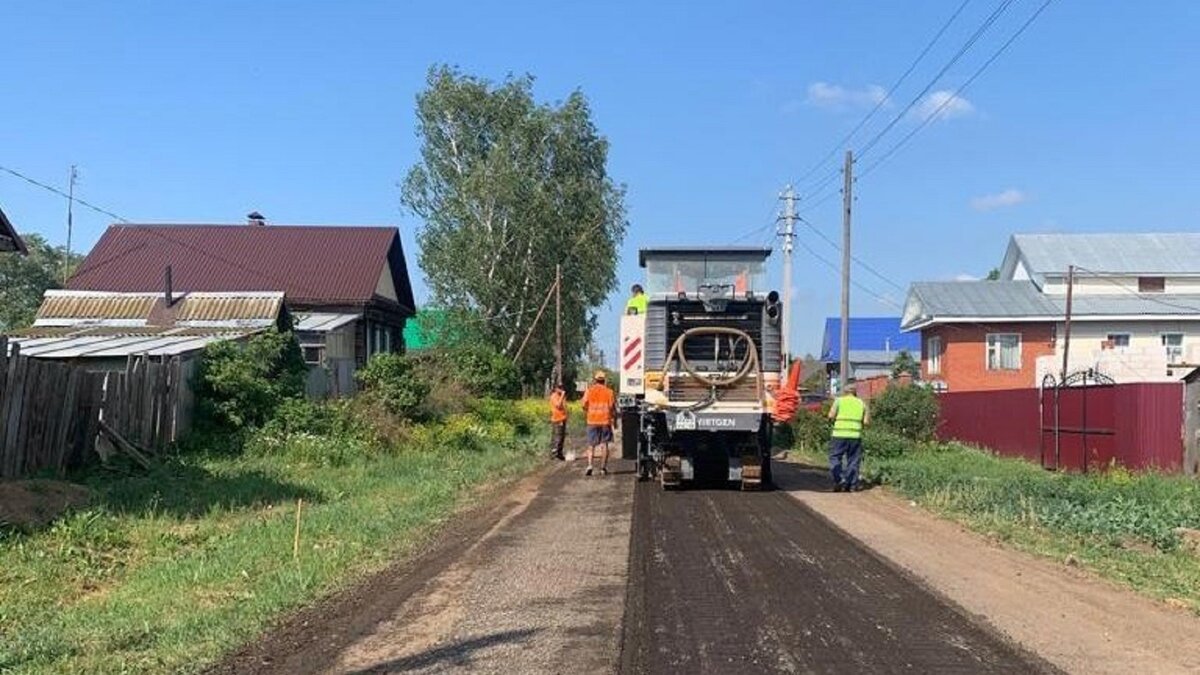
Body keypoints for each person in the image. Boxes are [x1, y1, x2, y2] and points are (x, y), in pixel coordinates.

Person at [827, 381, 868, 492]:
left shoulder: (839, 401)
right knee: (853, 460)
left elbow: (830, 415)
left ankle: (839, 480)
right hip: (855, 436)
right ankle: (851, 485)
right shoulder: (861, 403)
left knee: (835, 458)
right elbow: (866, 421)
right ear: (855, 392)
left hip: (839, 435)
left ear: (844, 392)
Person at [580, 370, 617, 476]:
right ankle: (603, 468)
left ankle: (590, 465)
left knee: (591, 445)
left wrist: (589, 410)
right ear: (604, 380)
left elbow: (583, 405)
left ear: (595, 380)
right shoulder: (609, 392)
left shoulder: (589, 391)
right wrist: (614, 420)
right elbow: (611, 407)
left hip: (592, 421)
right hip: (605, 421)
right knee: (604, 444)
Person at [548, 384, 568, 461]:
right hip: (557, 419)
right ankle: (554, 454)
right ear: (556, 389)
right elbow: (558, 405)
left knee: (562, 437)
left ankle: (559, 453)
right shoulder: (554, 396)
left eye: (562, 388)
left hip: (562, 418)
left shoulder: (561, 396)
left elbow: (564, 406)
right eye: (559, 388)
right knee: (557, 437)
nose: (561, 389)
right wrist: (562, 395)